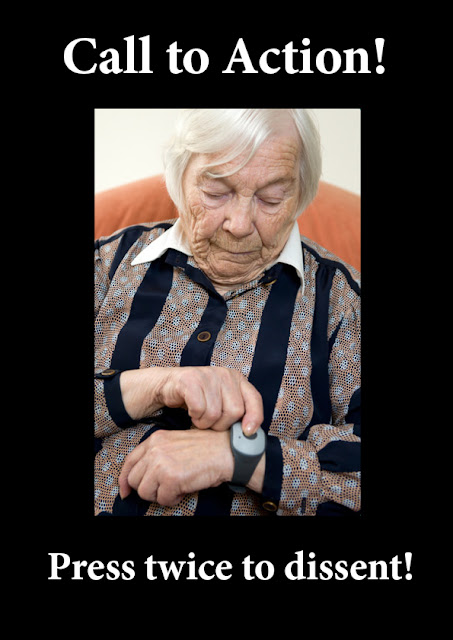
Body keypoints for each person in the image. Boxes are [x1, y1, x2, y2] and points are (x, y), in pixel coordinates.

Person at [94, 108, 361, 516]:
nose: (238, 224)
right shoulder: (106, 266)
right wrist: (156, 386)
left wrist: (242, 457)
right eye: (216, 192)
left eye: (270, 199)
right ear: (180, 179)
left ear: (300, 195)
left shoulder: (345, 304)